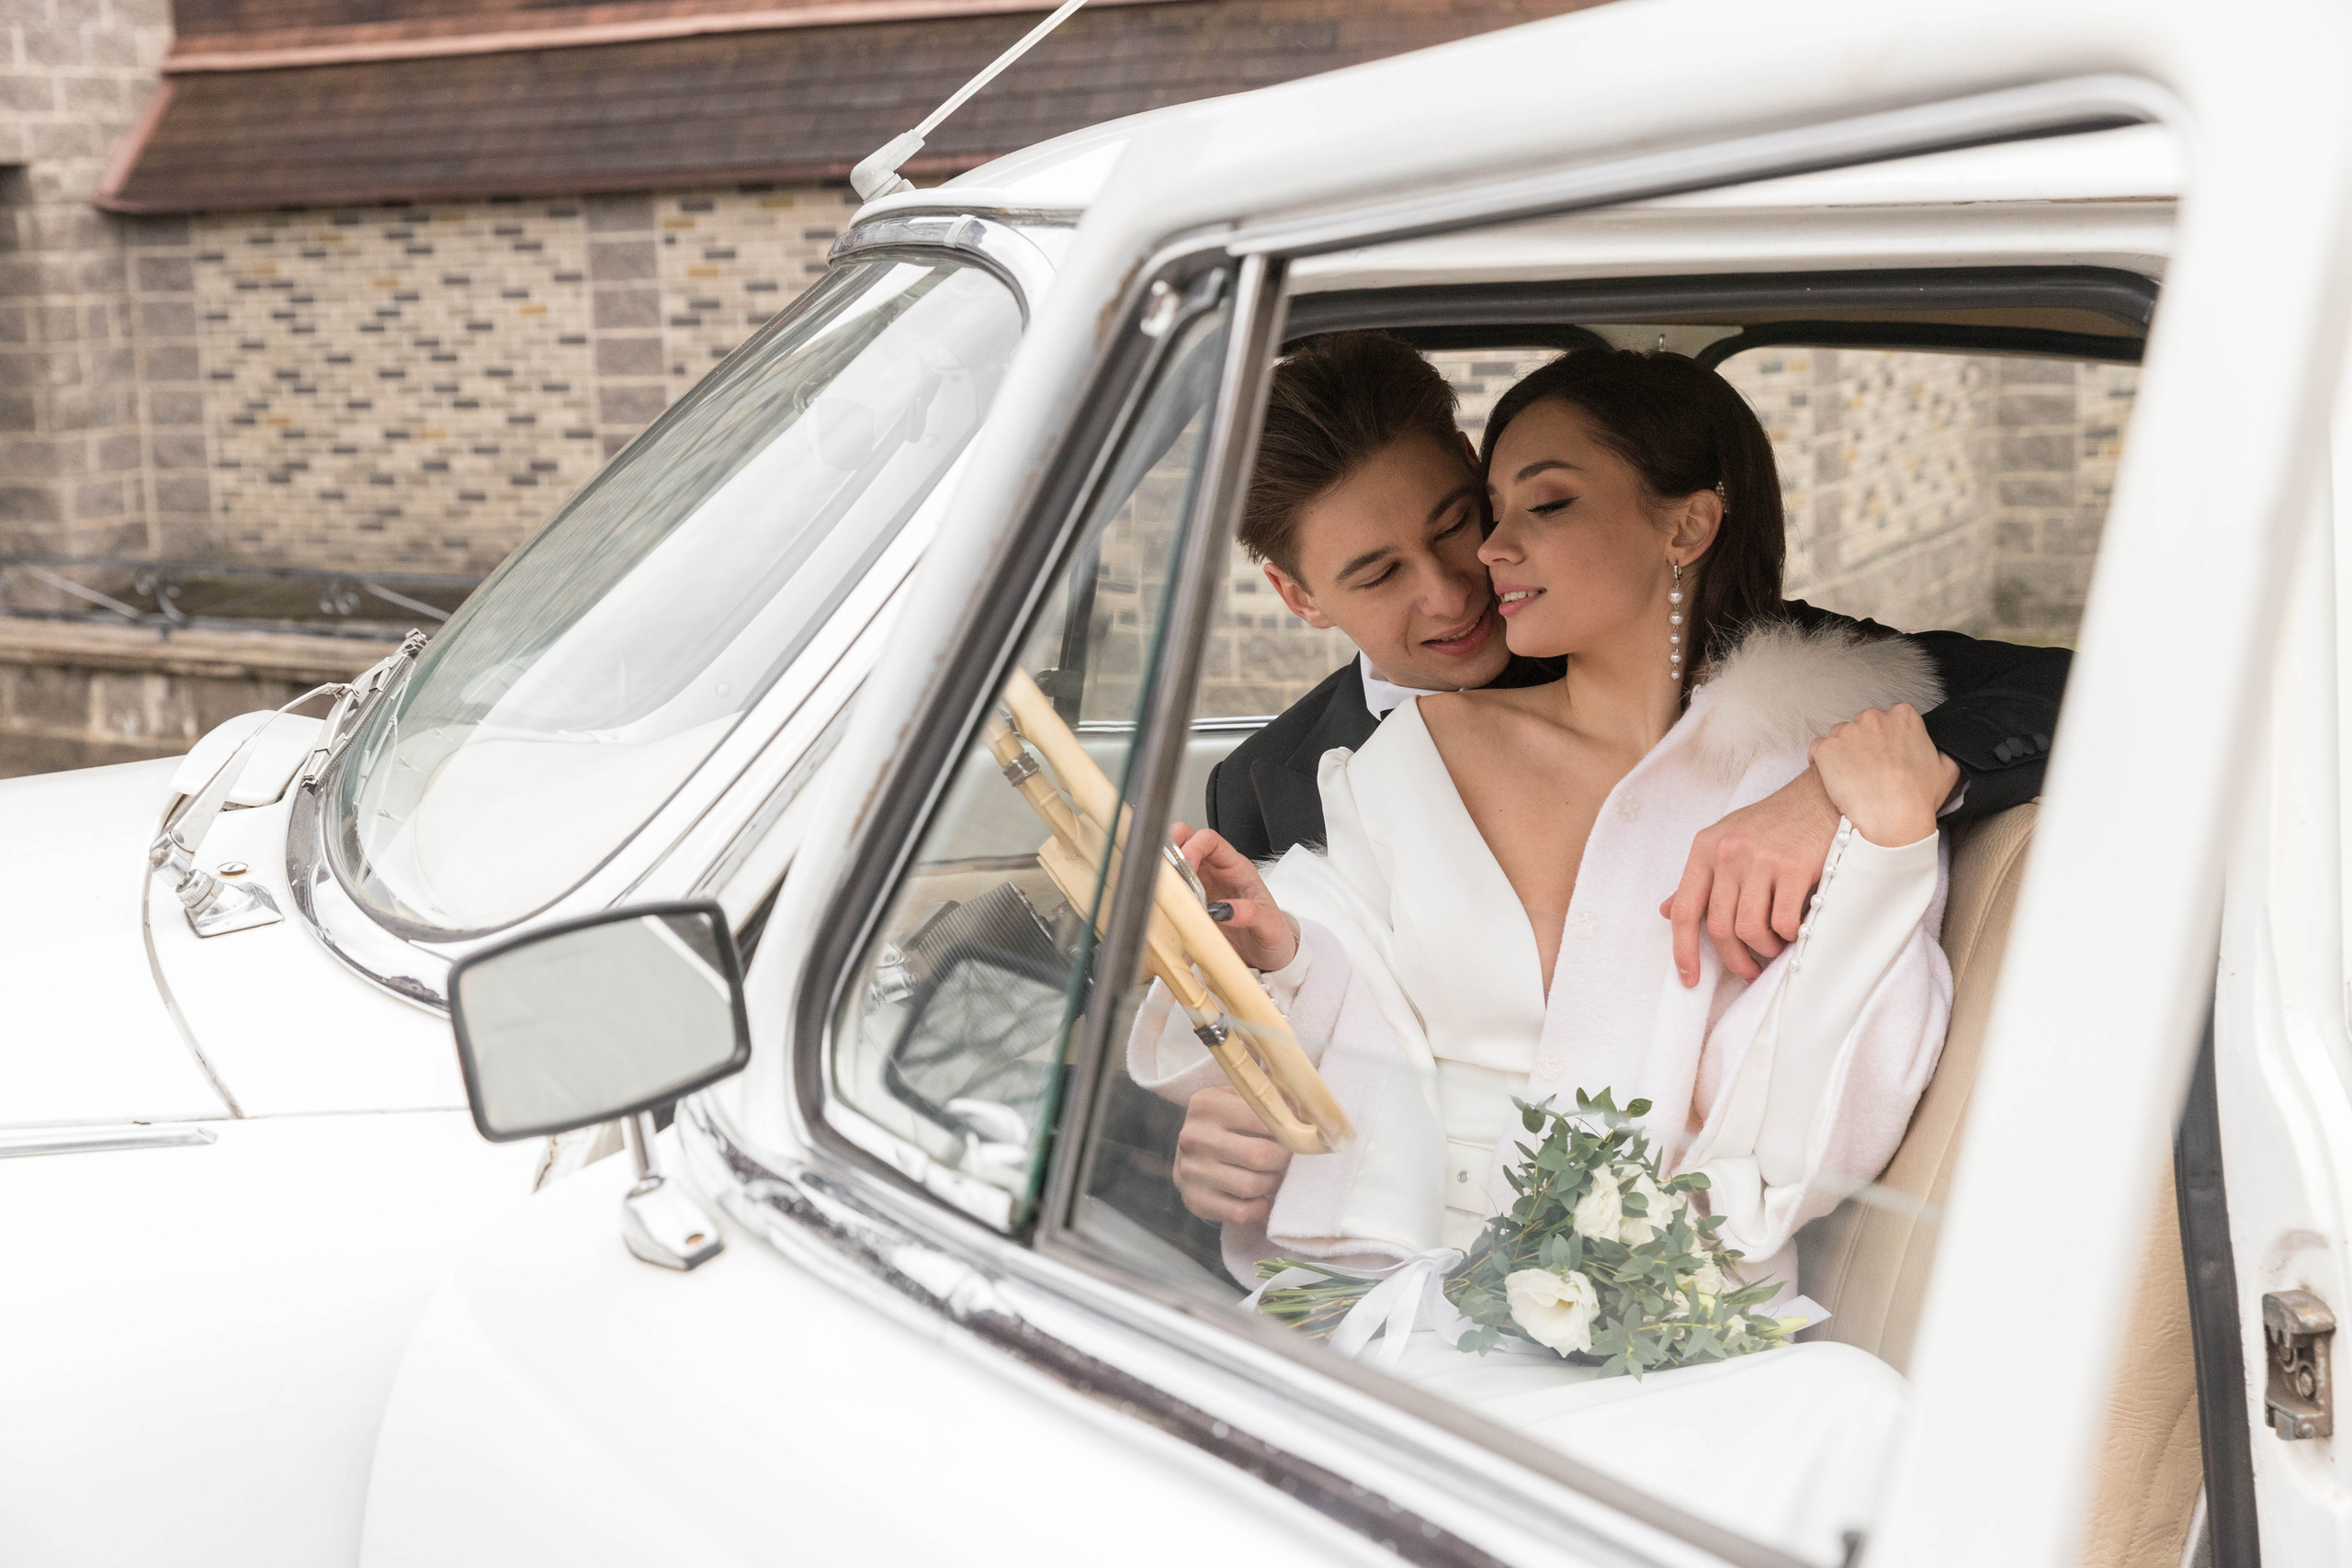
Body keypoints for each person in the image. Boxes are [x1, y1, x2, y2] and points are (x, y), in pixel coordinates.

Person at [1129, 347, 1956, 1559]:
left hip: (1666, 1295)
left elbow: (2010, 699)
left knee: (1854, 1422)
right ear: (1302, 597)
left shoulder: (1796, 746)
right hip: (1412, 1269)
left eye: (1484, 517)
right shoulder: (1356, 765)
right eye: (1377, 571)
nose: (1471, 575)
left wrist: (1855, 802)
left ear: (1688, 526)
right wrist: (1271, 980)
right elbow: (1337, 963)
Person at [1176, 331, 2064, 1231]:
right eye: (1377, 575)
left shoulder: (1766, 685)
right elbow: (1303, 1042)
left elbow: (2066, 686)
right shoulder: (1268, 785)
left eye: (1457, 521)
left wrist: (1832, 789)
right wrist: (1236, 1124)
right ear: (1300, 597)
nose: (1457, 587)